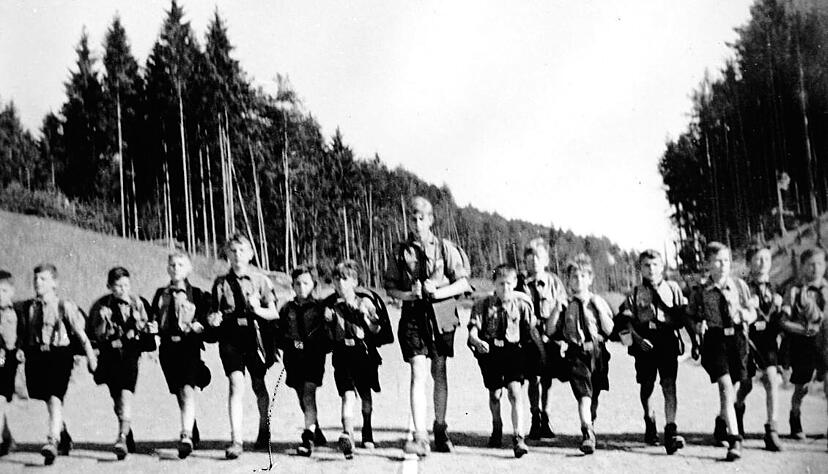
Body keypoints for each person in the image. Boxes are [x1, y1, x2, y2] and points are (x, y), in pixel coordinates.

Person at [384, 196, 472, 456]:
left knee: (439, 371)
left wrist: (440, 291)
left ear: (431, 220)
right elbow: (391, 287)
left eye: (421, 217)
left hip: (442, 313)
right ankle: (421, 436)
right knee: (417, 371)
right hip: (413, 314)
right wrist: (409, 294)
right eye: (412, 217)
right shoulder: (401, 251)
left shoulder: (446, 248)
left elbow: (464, 283)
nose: (416, 222)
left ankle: (440, 429)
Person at [207, 234, 279, 460]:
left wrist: (257, 309)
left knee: (259, 384)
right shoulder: (220, 283)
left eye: (242, 250)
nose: (237, 255)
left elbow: (274, 312)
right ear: (227, 254)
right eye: (233, 251)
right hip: (230, 338)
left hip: (255, 337)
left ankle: (263, 427)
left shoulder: (261, 281)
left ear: (251, 254)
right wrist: (213, 319)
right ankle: (236, 440)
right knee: (236, 384)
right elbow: (213, 312)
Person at [21, 263, 97, 465]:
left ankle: (52, 441)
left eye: (43, 279)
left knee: (55, 397)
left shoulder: (65, 306)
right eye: (35, 279)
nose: (38, 283)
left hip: (60, 355)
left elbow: (81, 334)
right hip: (38, 356)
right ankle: (64, 437)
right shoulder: (30, 307)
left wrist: (91, 356)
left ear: (55, 283)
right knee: (48, 398)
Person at [616, 249, 689, 454]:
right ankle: (649, 418)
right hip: (644, 342)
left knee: (669, 384)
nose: (651, 269)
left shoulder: (673, 289)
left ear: (662, 266)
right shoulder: (635, 292)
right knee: (647, 384)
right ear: (641, 268)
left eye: (655, 264)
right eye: (647, 265)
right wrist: (637, 340)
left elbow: (684, 316)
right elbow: (626, 322)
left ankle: (671, 429)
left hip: (666, 341)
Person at [688, 242, 756, 461]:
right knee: (726, 385)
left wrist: (748, 316)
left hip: (737, 339)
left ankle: (721, 422)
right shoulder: (700, 290)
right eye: (717, 261)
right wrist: (696, 326)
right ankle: (735, 438)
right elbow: (690, 314)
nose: (723, 265)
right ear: (708, 263)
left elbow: (751, 309)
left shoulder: (739, 285)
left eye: (726, 260)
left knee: (740, 384)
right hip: (715, 340)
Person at [468, 264, 545, 458]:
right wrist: (477, 341)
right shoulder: (483, 305)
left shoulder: (522, 305)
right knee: (495, 394)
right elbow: (473, 331)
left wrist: (537, 355)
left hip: (514, 353)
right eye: (501, 284)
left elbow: (531, 332)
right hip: (492, 353)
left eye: (509, 284)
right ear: (494, 283)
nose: (505, 288)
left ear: (515, 283)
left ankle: (519, 437)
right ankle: (497, 426)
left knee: (514, 392)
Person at [88, 266, 156, 460]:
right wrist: (102, 322)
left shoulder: (138, 303)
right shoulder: (101, 306)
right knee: (117, 399)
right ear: (109, 286)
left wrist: (147, 334)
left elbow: (149, 327)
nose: (123, 289)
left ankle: (121, 437)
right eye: (117, 285)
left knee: (126, 394)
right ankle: (127, 431)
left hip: (130, 354)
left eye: (126, 284)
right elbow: (94, 334)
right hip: (109, 356)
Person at [151, 252, 211, 459]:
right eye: (172, 265)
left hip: (189, 347)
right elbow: (153, 319)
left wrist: (199, 325)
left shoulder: (196, 293)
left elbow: (205, 319)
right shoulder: (160, 294)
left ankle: (185, 435)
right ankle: (191, 427)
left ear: (188, 269)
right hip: (167, 349)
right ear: (168, 268)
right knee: (179, 391)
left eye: (180, 265)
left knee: (187, 389)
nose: (176, 268)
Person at [552, 253, 614, 455]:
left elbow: (610, 329)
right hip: (576, 353)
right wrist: (556, 310)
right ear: (568, 280)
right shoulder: (565, 304)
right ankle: (586, 431)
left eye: (582, 276)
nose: (578, 281)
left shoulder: (597, 301)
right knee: (583, 395)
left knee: (594, 393)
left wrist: (600, 310)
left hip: (597, 352)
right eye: (574, 277)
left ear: (590, 279)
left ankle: (591, 424)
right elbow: (550, 330)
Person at [324, 260, 383, 459]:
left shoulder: (365, 302)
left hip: (363, 354)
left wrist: (364, 316)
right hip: (342, 355)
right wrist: (328, 322)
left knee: (365, 395)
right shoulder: (331, 306)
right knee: (347, 395)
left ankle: (367, 429)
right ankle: (348, 434)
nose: (340, 283)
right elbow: (329, 338)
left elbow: (376, 329)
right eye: (337, 279)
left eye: (345, 279)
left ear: (355, 281)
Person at [733, 244, 784, 451]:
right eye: (758, 259)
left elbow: (778, 321)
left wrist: (780, 307)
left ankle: (772, 430)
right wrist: (747, 307)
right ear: (749, 263)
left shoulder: (776, 288)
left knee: (772, 379)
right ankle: (735, 410)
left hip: (768, 341)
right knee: (745, 385)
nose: (763, 264)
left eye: (767, 259)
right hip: (747, 339)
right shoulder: (742, 288)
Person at [515, 238, 566, 440]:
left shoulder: (554, 282)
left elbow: (562, 307)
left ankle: (546, 418)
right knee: (533, 379)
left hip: (551, 336)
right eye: (530, 258)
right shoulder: (520, 283)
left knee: (547, 380)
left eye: (538, 257)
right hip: (529, 338)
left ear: (546, 260)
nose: (534, 261)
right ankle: (535, 418)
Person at [277, 265, 329, 457]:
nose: (301, 287)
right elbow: (280, 332)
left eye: (306, 283)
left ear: (313, 284)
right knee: (302, 396)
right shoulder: (287, 308)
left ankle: (308, 437)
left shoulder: (319, 308)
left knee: (308, 393)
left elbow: (327, 334)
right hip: (293, 357)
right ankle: (316, 430)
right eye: (297, 283)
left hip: (313, 357)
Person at [780, 247, 828, 444]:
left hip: (825, 343)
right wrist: (803, 330)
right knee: (802, 387)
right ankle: (795, 417)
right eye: (810, 265)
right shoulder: (795, 290)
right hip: (803, 344)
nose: (815, 269)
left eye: (820, 264)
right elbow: (783, 321)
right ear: (802, 267)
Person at [0, 270, 23, 456]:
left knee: (45, 398)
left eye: (4, 290)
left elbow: (23, 334)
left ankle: (60, 433)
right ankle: (6, 438)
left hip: (11, 360)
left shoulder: (17, 311)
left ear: (12, 291)